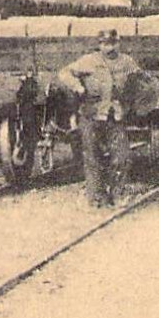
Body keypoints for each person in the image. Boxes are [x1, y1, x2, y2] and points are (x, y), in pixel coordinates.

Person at [58, 29, 144, 206]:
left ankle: (118, 193)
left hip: (115, 115)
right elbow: (64, 73)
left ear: (118, 43)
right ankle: (96, 196)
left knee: (121, 155)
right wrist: (77, 87)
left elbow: (141, 78)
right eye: (105, 44)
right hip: (91, 114)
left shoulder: (126, 62)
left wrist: (154, 93)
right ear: (99, 45)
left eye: (113, 43)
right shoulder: (89, 61)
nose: (109, 48)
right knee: (92, 156)